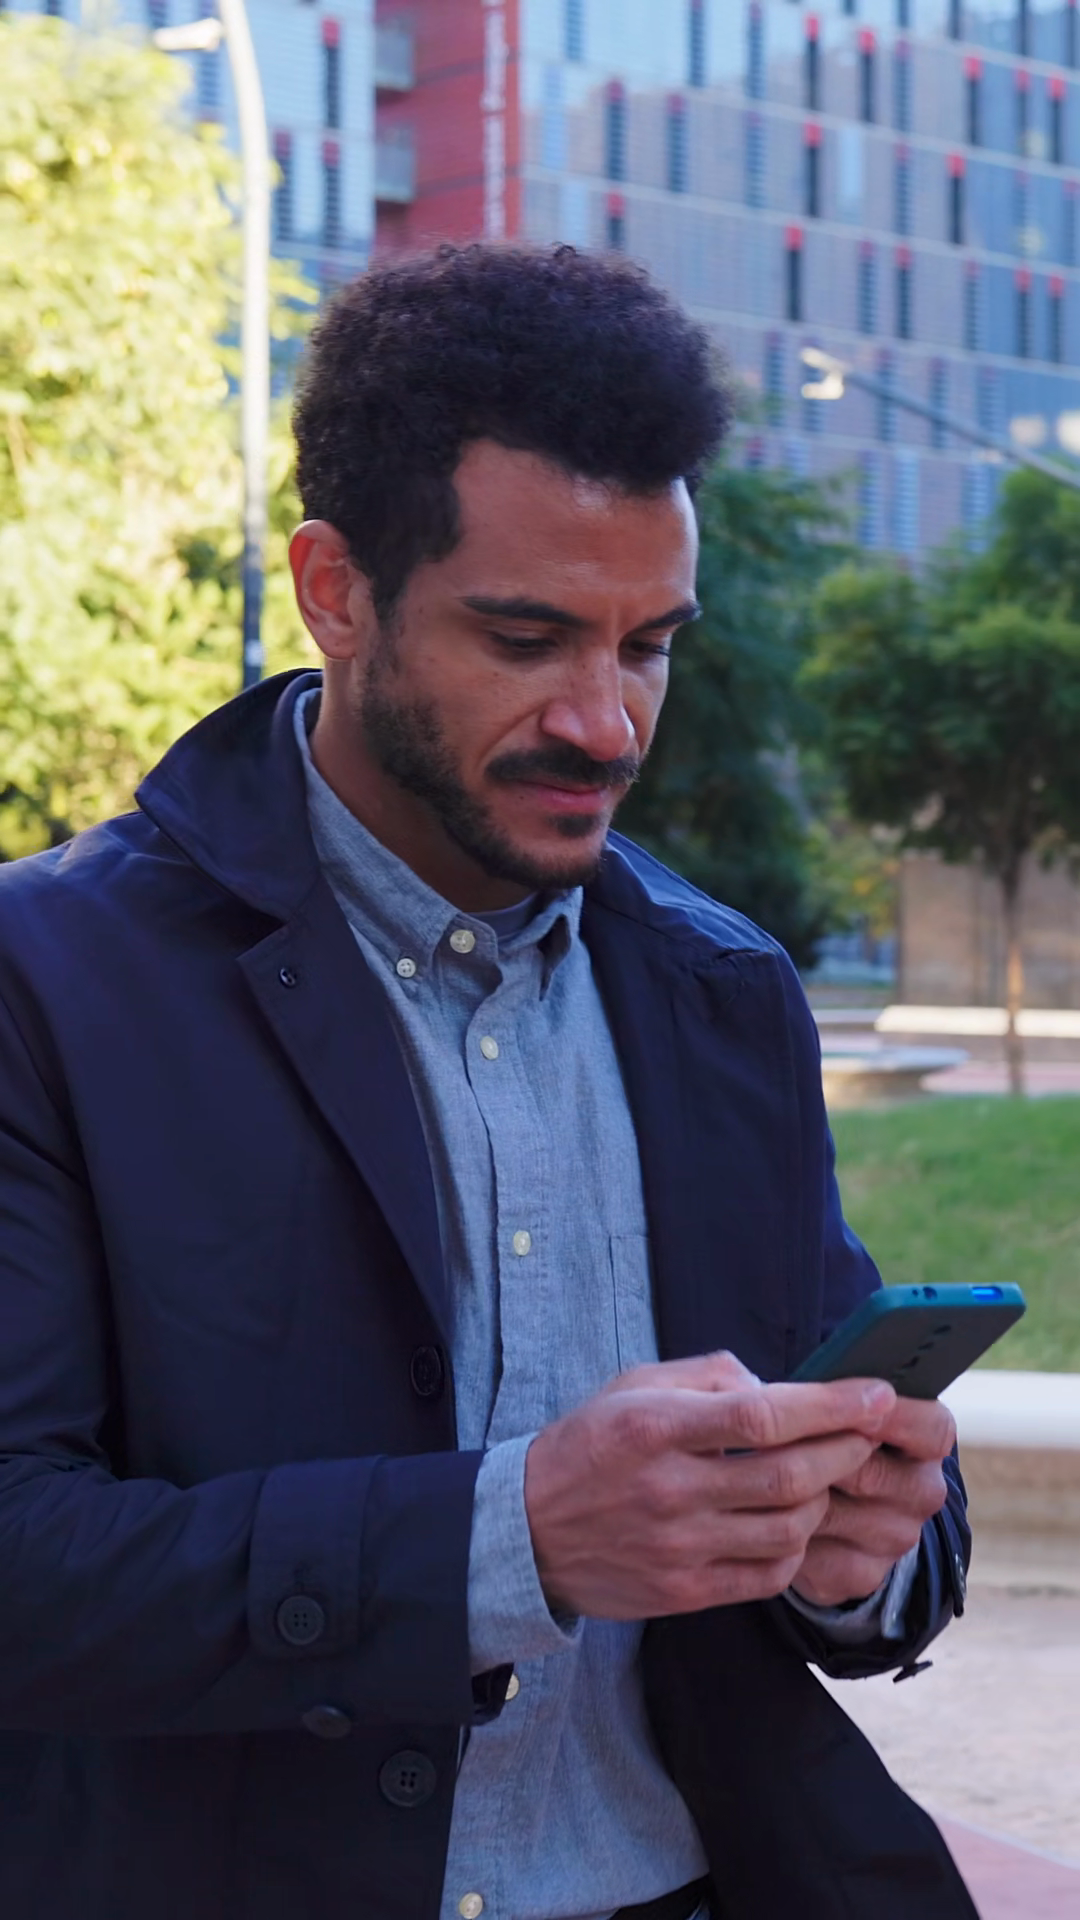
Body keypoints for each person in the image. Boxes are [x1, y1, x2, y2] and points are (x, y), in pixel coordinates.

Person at [0, 244, 975, 1920]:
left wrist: (860, 1554)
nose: (607, 723)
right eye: (526, 638)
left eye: (649, 645)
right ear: (336, 589)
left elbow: (877, 1492)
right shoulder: (47, 981)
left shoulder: (725, 991)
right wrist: (504, 1540)